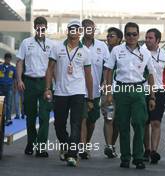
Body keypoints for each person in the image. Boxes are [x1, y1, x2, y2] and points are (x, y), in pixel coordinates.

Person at [105, 22, 156, 169]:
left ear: (138, 35)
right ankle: (125, 157)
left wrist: (152, 96)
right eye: (128, 34)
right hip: (121, 91)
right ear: (125, 36)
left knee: (140, 124)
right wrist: (109, 93)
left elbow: (151, 74)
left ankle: (138, 157)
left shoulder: (145, 52)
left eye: (134, 34)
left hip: (139, 91)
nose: (131, 37)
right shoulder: (117, 50)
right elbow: (108, 71)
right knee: (123, 125)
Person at [44, 19, 93, 167]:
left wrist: (90, 98)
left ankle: (72, 155)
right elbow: (50, 69)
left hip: (78, 92)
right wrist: (47, 88)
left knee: (76, 124)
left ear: (80, 32)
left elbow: (88, 75)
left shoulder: (85, 51)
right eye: (72, 28)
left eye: (77, 29)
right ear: (68, 31)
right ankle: (66, 146)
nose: (74, 31)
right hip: (60, 92)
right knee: (59, 124)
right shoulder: (57, 47)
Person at [16, 16, 53, 157]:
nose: (40, 29)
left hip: (45, 83)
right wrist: (19, 80)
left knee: (44, 115)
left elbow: (53, 66)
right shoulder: (26, 42)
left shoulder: (52, 45)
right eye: (38, 26)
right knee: (30, 115)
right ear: (35, 27)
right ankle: (31, 143)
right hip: (29, 82)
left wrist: (52, 86)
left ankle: (41, 147)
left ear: (46, 28)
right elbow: (19, 61)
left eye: (43, 27)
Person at [143, 28, 165, 164]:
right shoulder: (140, 53)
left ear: (157, 40)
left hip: (160, 92)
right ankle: (146, 150)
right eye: (146, 37)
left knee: (156, 122)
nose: (147, 40)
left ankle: (153, 151)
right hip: (143, 91)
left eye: (150, 38)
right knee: (144, 123)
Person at [79, 19, 110, 160]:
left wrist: (105, 80)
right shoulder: (76, 46)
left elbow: (107, 66)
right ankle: (82, 147)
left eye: (92, 29)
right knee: (82, 118)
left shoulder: (102, 46)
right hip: (78, 89)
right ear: (82, 30)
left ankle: (86, 143)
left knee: (92, 120)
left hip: (96, 90)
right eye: (87, 29)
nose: (90, 31)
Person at [101, 27, 123, 158]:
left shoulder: (124, 52)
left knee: (118, 122)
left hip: (121, 92)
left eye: (112, 36)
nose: (108, 38)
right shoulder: (103, 51)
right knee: (108, 118)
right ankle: (108, 146)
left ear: (119, 39)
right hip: (107, 91)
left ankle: (113, 145)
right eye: (108, 36)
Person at [0, 53, 16, 126]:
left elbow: (15, 79)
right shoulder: (0, 67)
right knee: (1, 104)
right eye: (7, 58)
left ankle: (8, 119)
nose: (8, 60)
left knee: (9, 104)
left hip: (9, 88)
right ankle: (1, 119)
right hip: (1, 87)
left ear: (10, 59)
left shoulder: (13, 68)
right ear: (5, 58)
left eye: (9, 59)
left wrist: (15, 88)